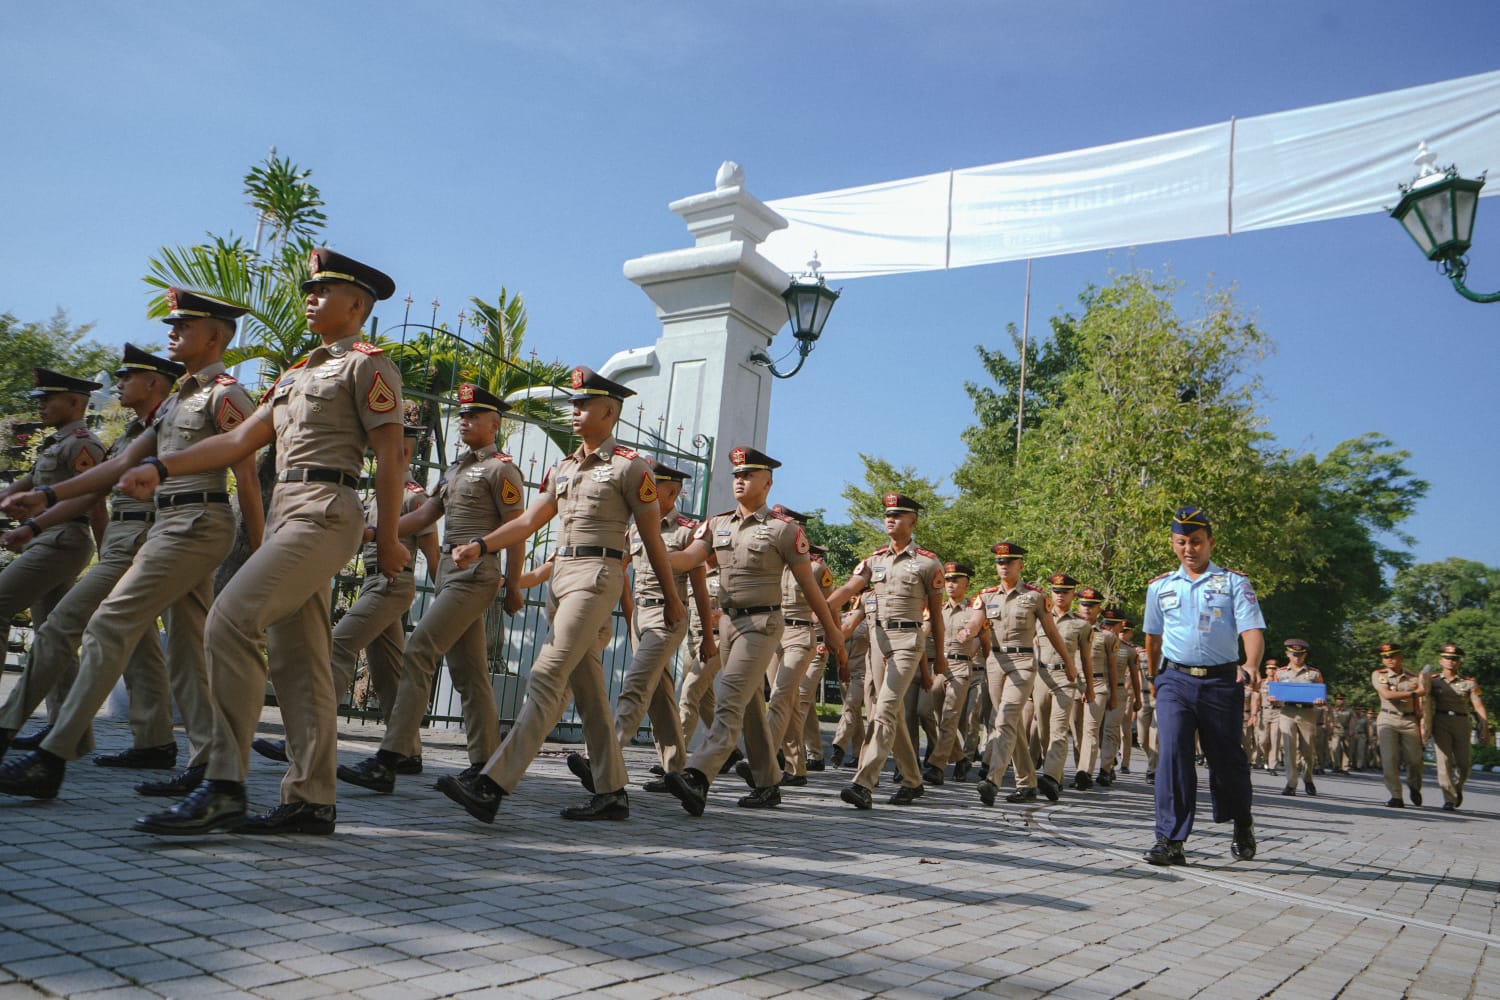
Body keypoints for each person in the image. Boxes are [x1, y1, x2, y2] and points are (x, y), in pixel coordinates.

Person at [130, 251, 406, 836]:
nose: (309, 297)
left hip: (327, 511)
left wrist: (390, 539)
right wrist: (162, 465)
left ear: (356, 305)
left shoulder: (369, 366)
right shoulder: (294, 372)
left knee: (229, 622)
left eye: (323, 290)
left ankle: (224, 783)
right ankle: (311, 800)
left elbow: (391, 453)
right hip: (287, 513)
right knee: (300, 664)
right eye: (308, 289)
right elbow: (238, 446)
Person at [0, 302, 262, 803]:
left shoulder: (228, 396)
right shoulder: (173, 403)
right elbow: (122, 462)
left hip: (198, 523)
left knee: (107, 623)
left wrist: (259, 551)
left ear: (213, 339)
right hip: (171, 524)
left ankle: (51, 757)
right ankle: (206, 762)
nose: (174, 334)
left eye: (184, 327)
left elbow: (246, 476)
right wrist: (49, 496)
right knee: (187, 652)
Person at [434, 366, 683, 824]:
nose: (574, 411)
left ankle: (491, 784)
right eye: (573, 403)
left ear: (609, 411)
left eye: (583, 404)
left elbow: (651, 539)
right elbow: (529, 522)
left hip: (598, 574)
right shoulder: (565, 467)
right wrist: (484, 544)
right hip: (562, 574)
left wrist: (671, 599)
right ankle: (612, 792)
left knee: (547, 674)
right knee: (588, 687)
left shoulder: (630, 467)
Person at [338, 385, 525, 794]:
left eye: (474, 416)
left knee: (420, 649)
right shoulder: (454, 471)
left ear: (495, 424)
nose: (465, 421)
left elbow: (516, 530)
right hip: (451, 578)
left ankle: (390, 759)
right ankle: (485, 766)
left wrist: (512, 584)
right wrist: (376, 533)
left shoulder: (501, 470)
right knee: (469, 672)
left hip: (477, 575)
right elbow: (425, 513)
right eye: (463, 415)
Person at [0, 346, 179, 771]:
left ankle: (14, 728)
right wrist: (35, 524)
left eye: (127, 376)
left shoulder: (162, 430)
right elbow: (92, 490)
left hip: (129, 540)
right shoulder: (134, 433)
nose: (118, 385)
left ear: (153, 383)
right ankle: (150, 741)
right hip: (113, 539)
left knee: (61, 628)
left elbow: (92, 502)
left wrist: (101, 554)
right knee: (134, 641)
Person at [659, 447, 847, 816]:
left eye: (748, 475)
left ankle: (698, 776)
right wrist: (656, 551)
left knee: (729, 696)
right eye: (736, 475)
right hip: (728, 623)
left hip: (762, 625)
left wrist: (832, 634)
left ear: (768, 482)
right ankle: (767, 782)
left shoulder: (783, 530)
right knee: (748, 707)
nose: (740, 480)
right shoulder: (717, 524)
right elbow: (689, 559)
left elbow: (810, 587)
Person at [252, 422, 440, 765]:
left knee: (339, 645)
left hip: (392, 584)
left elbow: (432, 553)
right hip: (374, 582)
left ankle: (305, 737)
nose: (372, 447)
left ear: (406, 450)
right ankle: (407, 750)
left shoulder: (414, 496)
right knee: (388, 673)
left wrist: (447, 599)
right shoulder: (377, 495)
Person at [566, 458, 714, 795]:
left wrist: (706, 635)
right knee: (660, 696)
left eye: (652, 485)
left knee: (634, 686)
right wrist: (629, 613)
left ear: (672, 492)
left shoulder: (687, 530)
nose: (642, 489)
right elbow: (621, 570)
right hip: (640, 620)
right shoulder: (635, 528)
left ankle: (602, 758)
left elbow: (700, 590)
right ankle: (675, 770)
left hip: (668, 617)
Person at [1142, 505, 1264, 866]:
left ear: (1210, 542)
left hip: (1221, 682)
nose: (1189, 550)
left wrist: (1252, 663)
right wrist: (1154, 678)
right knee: (1173, 753)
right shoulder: (1160, 587)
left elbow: (1251, 628)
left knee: (1227, 762)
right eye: (1181, 543)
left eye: (1196, 542)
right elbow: (1153, 637)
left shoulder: (1233, 583)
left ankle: (1242, 820)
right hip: (1175, 679)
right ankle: (1170, 838)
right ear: (1173, 544)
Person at [809, 493, 943, 810]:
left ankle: (863, 783)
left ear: (914, 521)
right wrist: (822, 608)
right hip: (878, 643)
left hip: (908, 641)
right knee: (890, 711)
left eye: (898, 514)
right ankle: (912, 779)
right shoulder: (875, 560)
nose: (890, 519)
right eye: (887, 514)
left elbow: (936, 615)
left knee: (883, 710)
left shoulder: (927, 562)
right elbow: (848, 589)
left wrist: (943, 659)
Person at [0, 367, 106, 754]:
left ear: (76, 403)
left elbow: (93, 499)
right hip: (47, 540)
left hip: (62, 540)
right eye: (40, 400)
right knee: (54, 639)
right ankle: (70, 735)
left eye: (49, 399)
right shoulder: (55, 444)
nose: (42, 405)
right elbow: (24, 486)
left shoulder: (83, 444)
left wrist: (109, 554)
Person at [952, 543, 1073, 806]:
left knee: (1005, 718)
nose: (1003, 566)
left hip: (1022, 661)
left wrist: (1069, 664)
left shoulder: (1035, 596)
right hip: (995, 662)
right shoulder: (985, 596)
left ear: (1020, 565)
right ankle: (1027, 783)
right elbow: (975, 621)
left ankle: (992, 780)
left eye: (1009, 562)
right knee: (1013, 724)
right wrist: (967, 632)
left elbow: (1052, 633)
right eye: (999, 562)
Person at [1027, 573, 1093, 800]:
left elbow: (1085, 659)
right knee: (1044, 731)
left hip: (1066, 679)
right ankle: (1053, 774)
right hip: (1041, 677)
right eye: (1056, 591)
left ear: (1073, 594)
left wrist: (1089, 688)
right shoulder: (1039, 619)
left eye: (1065, 591)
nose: (1060, 595)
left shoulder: (1081, 625)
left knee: (1059, 729)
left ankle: (1052, 777)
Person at [922, 562, 980, 785]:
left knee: (949, 718)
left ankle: (937, 766)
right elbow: (925, 631)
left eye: (956, 580)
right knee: (937, 716)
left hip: (960, 668)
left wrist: (968, 652)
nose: (950, 585)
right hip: (940, 668)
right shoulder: (938, 610)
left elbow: (979, 639)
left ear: (966, 583)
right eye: (947, 580)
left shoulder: (973, 611)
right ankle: (961, 758)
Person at [1425, 643, 1485, 811]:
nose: (1450, 661)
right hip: (1441, 720)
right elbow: (1424, 701)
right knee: (1443, 761)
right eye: (1447, 658)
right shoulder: (1433, 681)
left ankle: (1457, 787)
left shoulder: (1469, 683)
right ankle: (1449, 798)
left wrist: (1484, 726)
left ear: (1459, 662)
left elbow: (1478, 706)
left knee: (1464, 764)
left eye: (1454, 659)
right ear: (1441, 660)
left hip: (1461, 722)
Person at [1267, 639, 1324, 797]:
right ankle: (1291, 783)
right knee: (1289, 747)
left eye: (1300, 654)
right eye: (1294, 654)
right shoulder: (1280, 673)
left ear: (1305, 655)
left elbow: (1321, 695)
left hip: (1307, 713)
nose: (1297, 657)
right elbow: (1275, 696)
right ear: (1287, 654)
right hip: (1287, 712)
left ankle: (1307, 778)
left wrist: (1320, 701)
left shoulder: (1314, 673)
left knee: (1308, 749)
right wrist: (1273, 699)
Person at [1371, 641, 1424, 808]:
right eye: (1385, 657)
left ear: (1401, 657)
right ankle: (1396, 795)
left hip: (1409, 721)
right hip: (1388, 719)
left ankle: (1414, 786)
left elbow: (1422, 702)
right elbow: (1387, 695)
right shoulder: (1379, 675)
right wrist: (1415, 693)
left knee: (1414, 760)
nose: (1389, 659)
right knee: (1389, 759)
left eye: (1393, 656)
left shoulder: (1413, 678)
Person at [1073, 587, 1116, 789]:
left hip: (1098, 685)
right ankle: (1079, 770)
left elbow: (1113, 668)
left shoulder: (1106, 637)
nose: (1087, 609)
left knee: (1091, 730)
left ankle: (1085, 772)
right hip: (1074, 684)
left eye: (1092, 606)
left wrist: (1114, 695)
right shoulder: (1069, 628)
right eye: (1083, 604)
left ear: (1099, 609)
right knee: (1076, 731)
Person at [1096, 608, 1141, 786]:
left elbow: (1135, 676)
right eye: (1106, 624)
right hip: (1098, 688)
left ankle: (1105, 769)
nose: (1109, 628)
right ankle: (1110, 757)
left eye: (1112, 625)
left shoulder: (1128, 650)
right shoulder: (1096, 641)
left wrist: (1137, 699)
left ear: (1121, 625)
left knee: (1110, 729)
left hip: (1120, 692)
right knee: (1097, 731)